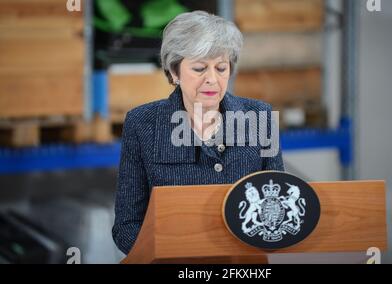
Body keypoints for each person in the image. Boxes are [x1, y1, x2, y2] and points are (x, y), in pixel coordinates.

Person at [112, 10, 284, 255]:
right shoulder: (142, 124)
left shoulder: (260, 117)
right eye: (200, 68)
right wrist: (170, 253)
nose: (212, 79)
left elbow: (280, 206)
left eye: (221, 68)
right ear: (174, 72)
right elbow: (126, 227)